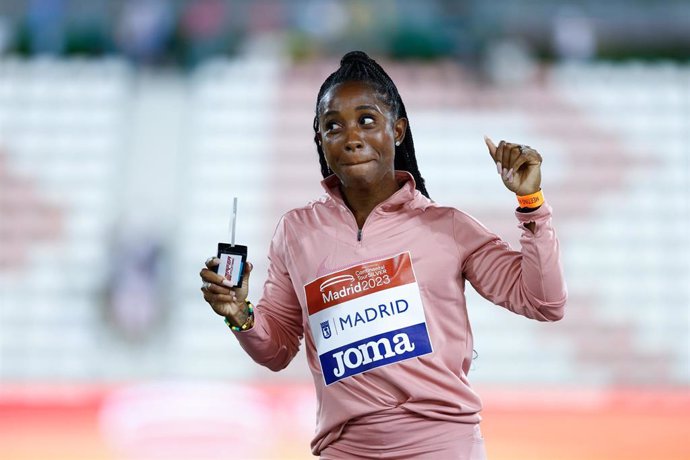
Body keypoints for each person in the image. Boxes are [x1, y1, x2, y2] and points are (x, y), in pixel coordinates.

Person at [199, 51, 567, 459]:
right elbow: (277, 350)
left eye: (367, 120)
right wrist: (240, 316)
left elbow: (544, 302)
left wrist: (530, 202)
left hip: (441, 448)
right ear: (320, 140)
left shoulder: (447, 227)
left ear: (398, 130)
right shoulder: (296, 231)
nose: (351, 136)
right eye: (333, 126)